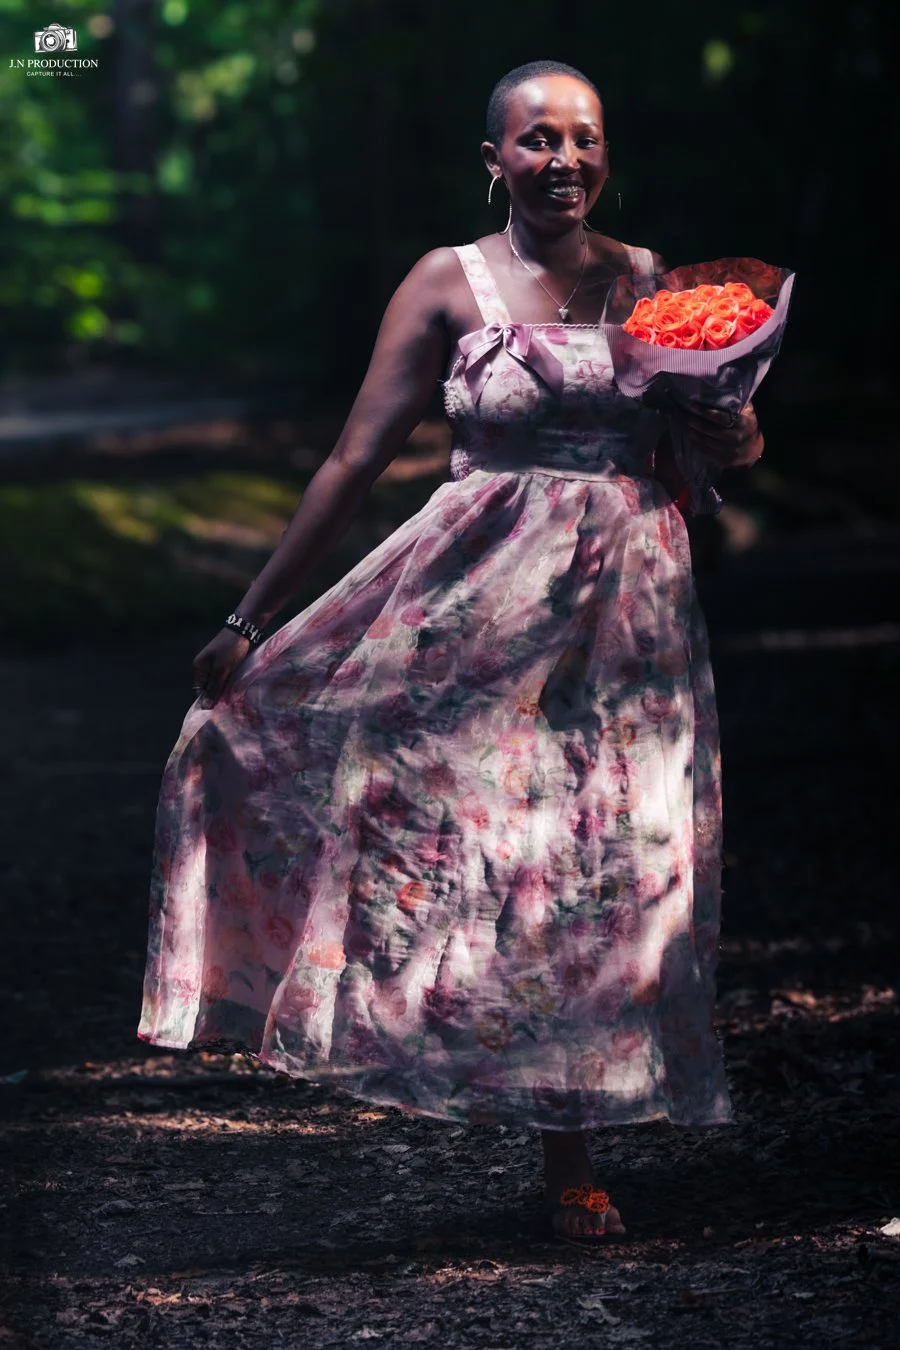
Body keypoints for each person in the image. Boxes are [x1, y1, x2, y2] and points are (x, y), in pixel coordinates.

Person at [138, 59, 763, 1245]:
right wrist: (249, 620)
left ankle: (572, 1156)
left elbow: (720, 453)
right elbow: (352, 459)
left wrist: (732, 419)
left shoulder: (648, 280)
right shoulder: (447, 282)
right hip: (472, 621)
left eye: (583, 138)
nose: (563, 160)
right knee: (457, 848)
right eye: (536, 141)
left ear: (606, 152)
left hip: (626, 629)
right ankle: (408, 1040)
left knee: (604, 870)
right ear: (495, 160)